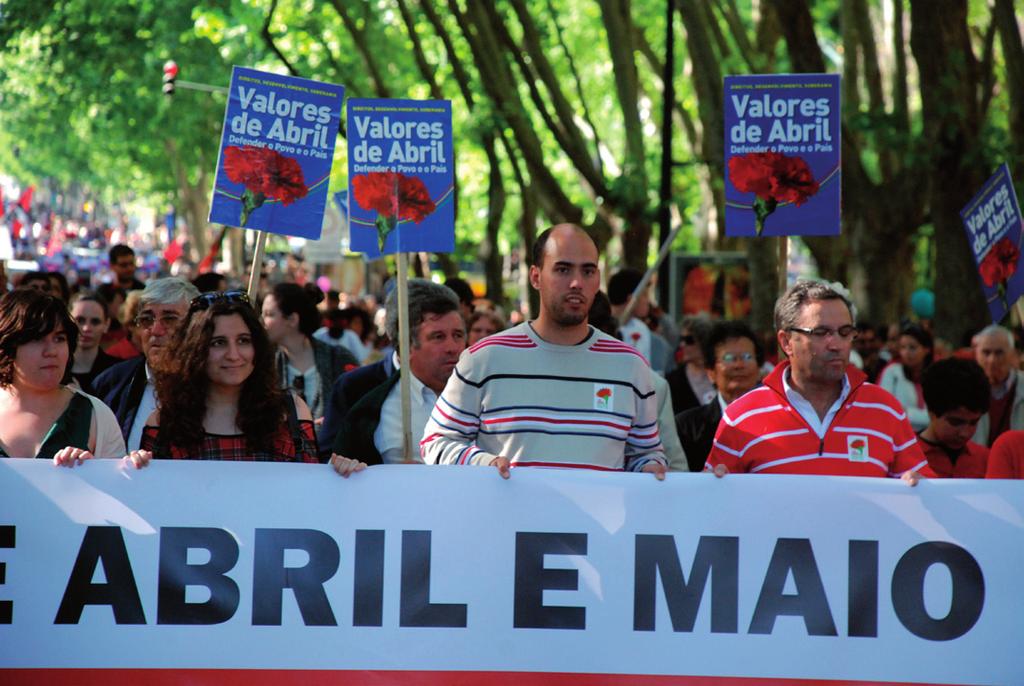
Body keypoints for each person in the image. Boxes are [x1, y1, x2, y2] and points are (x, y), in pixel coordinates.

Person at [421, 224, 667, 479]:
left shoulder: (630, 366)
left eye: (588, 271)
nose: (576, 283)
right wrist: (482, 463)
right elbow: (435, 443)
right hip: (509, 519)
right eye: (563, 269)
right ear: (535, 277)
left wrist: (650, 468)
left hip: (600, 520)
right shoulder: (484, 359)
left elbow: (645, 454)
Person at [706, 280, 930, 481]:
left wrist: (917, 485)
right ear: (786, 342)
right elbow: (711, 507)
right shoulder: (741, 417)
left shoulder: (885, 409)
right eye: (821, 332)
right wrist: (715, 483)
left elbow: (926, 493)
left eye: (845, 332)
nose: (836, 344)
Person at [130, 292, 319, 465]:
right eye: (218, 343)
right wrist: (137, 468)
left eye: (243, 340)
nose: (233, 355)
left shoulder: (290, 411)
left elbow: (313, 489)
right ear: (195, 350)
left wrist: (343, 469)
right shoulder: (164, 423)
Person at [329, 280, 466, 468]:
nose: (452, 347)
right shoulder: (371, 403)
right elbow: (330, 466)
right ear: (406, 346)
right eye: (438, 337)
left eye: (458, 335)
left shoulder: (485, 397)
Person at [0, 289, 125, 463]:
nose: (51, 351)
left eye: (59, 338)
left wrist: (94, 475)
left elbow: (119, 487)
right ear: (8, 345)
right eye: (37, 339)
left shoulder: (97, 415)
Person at [92, 277, 199, 449]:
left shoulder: (217, 387)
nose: (156, 331)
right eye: (147, 320)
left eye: (169, 319)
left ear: (196, 326)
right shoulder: (111, 385)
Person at [261, 282, 358, 422]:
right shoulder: (265, 365)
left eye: (269, 314)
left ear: (292, 319)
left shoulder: (339, 359)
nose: (262, 321)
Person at [675, 320, 763, 472]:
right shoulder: (687, 427)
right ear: (710, 373)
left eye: (747, 357)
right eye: (729, 358)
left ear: (759, 368)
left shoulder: (778, 423)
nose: (739, 365)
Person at [918, 358, 990, 478]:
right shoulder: (905, 459)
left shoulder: (986, 459)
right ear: (932, 412)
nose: (965, 433)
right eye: (955, 422)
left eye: (974, 422)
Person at [972, 325, 1024, 446]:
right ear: (976, 354)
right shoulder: (965, 389)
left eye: (999, 353)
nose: (992, 360)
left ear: (1012, 354)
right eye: (986, 352)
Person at [877, 323, 933, 431]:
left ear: (926, 349)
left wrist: (906, 412)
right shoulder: (892, 372)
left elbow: (936, 418)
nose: (906, 352)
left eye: (912, 348)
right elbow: (884, 411)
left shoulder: (936, 375)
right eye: (902, 347)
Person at [69, 291, 119, 395]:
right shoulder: (54, 368)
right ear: (68, 320)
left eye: (95, 322)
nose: (86, 328)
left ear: (107, 324)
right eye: (80, 320)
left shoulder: (118, 371)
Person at [665, 315, 715, 413]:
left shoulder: (721, 374)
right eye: (681, 339)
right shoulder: (672, 380)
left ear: (704, 342)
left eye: (689, 340)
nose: (682, 344)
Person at [607, 268, 652, 363]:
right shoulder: (598, 327)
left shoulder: (641, 329)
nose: (648, 301)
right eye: (645, 295)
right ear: (631, 298)